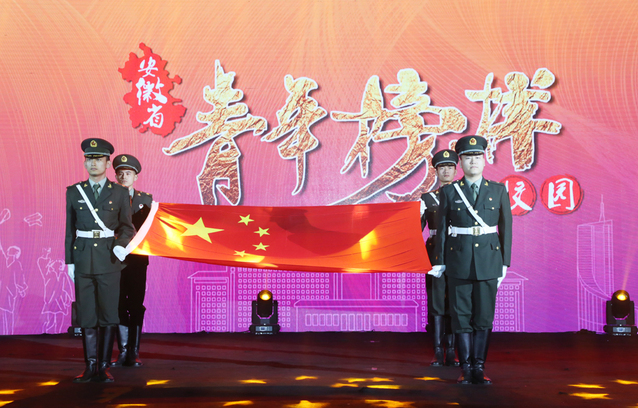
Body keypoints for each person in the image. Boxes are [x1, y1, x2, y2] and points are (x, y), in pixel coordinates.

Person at [431, 135, 512, 384]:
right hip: (458, 261)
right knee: (461, 316)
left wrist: (505, 262)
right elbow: (442, 230)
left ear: (484, 160)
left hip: (489, 261)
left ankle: (479, 367)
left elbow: (506, 228)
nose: (473, 161)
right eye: (467, 157)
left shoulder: (498, 190)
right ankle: (466, 368)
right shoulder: (449, 191)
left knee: (484, 317)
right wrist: (440, 261)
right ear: (461, 162)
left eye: (477, 156)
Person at [65, 138, 134, 383]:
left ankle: (103, 367)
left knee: (108, 313)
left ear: (107, 163)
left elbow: (127, 227)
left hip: (109, 259)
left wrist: (120, 245)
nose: (93, 163)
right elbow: (69, 230)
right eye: (89, 159)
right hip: (83, 258)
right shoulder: (74, 191)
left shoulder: (119, 192)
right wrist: (69, 261)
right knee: (86, 315)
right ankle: (90, 366)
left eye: (98, 159)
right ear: (85, 162)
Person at [111, 154, 153, 367]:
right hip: (114, 259)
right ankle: (123, 351)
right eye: (120, 173)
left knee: (136, 304)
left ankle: (134, 353)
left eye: (128, 173)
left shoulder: (146, 200)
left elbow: (149, 229)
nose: (123, 177)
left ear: (135, 177)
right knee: (117, 304)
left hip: (137, 259)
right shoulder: (107, 199)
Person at [420, 149, 459, 367]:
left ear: (455, 169)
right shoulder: (427, 198)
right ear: (436, 171)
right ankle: (437, 350)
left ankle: (452, 350)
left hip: (459, 252)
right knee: (436, 302)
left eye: (450, 166)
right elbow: (415, 230)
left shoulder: (464, 195)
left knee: (455, 301)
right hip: (434, 253)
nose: (446, 170)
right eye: (442, 167)